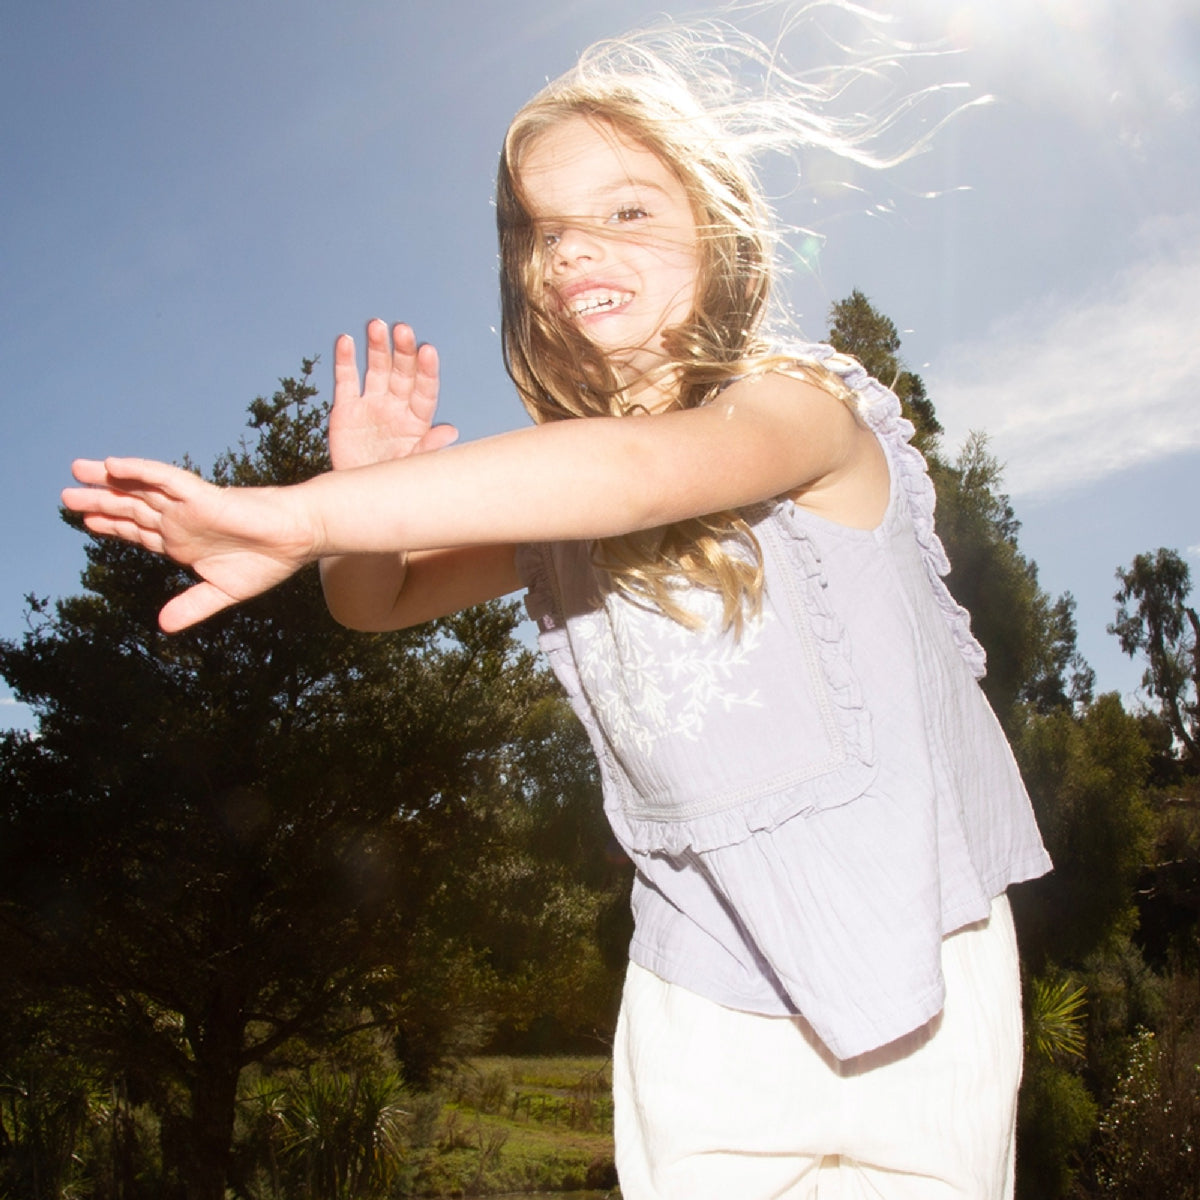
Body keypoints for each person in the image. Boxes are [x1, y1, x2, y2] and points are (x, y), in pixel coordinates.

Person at [63, 24, 1050, 1200]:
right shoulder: (556, 498)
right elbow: (379, 600)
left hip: (922, 971)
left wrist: (307, 512)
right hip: (708, 1000)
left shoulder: (802, 410)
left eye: (628, 211)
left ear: (718, 225)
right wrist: (359, 498)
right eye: (545, 226)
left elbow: (643, 474)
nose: (575, 246)